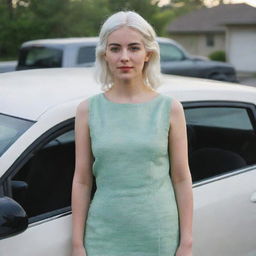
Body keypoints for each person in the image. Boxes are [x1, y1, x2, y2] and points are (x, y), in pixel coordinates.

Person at [71, 11, 193, 256]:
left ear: (148, 53)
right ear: (104, 54)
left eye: (134, 48)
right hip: (103, 233)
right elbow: (83, 180)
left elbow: (181, 177)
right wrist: (77, 244)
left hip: (158, 233)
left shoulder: (169, 108)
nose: (124, 57)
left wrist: (186, 242)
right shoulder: (87, 110)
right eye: (115, 49)